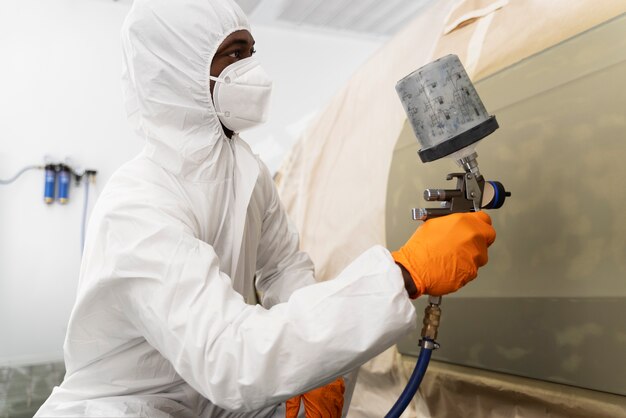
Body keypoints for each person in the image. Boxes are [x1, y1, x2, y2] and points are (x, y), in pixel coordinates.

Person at [35, 0, 496, 417]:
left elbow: (283, 271)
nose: (253, 70)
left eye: (251, 52)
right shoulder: (139, 205)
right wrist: (404, 273)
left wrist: (321, 365)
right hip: (126, 408)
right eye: (234, 54)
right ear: (178, 73)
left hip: (205, 402)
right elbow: (229, 358)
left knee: (330, 364)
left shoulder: (245, 170)